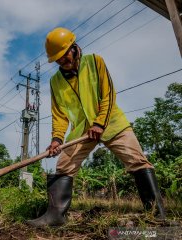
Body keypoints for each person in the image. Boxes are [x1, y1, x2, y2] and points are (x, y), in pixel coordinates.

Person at [26, 27, 166, 227]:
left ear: (73, 48)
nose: (61, 61)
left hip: (111, 122)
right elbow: (59, 115)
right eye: (57, 58)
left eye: (64, 54)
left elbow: (108, 94)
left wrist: (100, 122)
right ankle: (55, 217)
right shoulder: (55, 81)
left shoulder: (94, 61)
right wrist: (57, 139)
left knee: (137, 161)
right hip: (82, 130)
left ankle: (157, 216)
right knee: (63, 166)